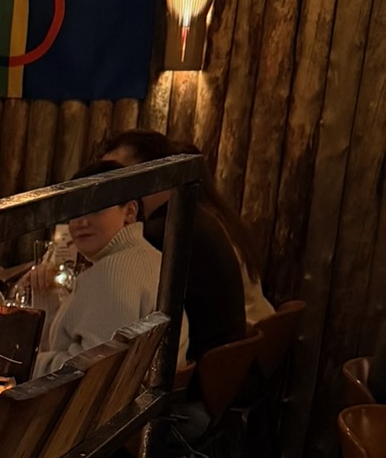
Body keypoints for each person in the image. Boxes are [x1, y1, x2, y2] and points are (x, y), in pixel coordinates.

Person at [98, 129, 259, 353]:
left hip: (189, 371)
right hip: (216, 369)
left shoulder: (164, 232)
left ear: (155, 174)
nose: (111, 191)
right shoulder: (194, 216)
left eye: (117, 177)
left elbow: (118, 310)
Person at [35, 161, 189, 374]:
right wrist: (49, 303)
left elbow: (90, 375)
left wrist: (29, 363)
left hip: (109, 404)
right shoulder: (152, 257)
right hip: (144, 401)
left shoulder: (112, 273)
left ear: (130, 211)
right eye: (74, 211)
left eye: (94, 209)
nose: (81, 222)